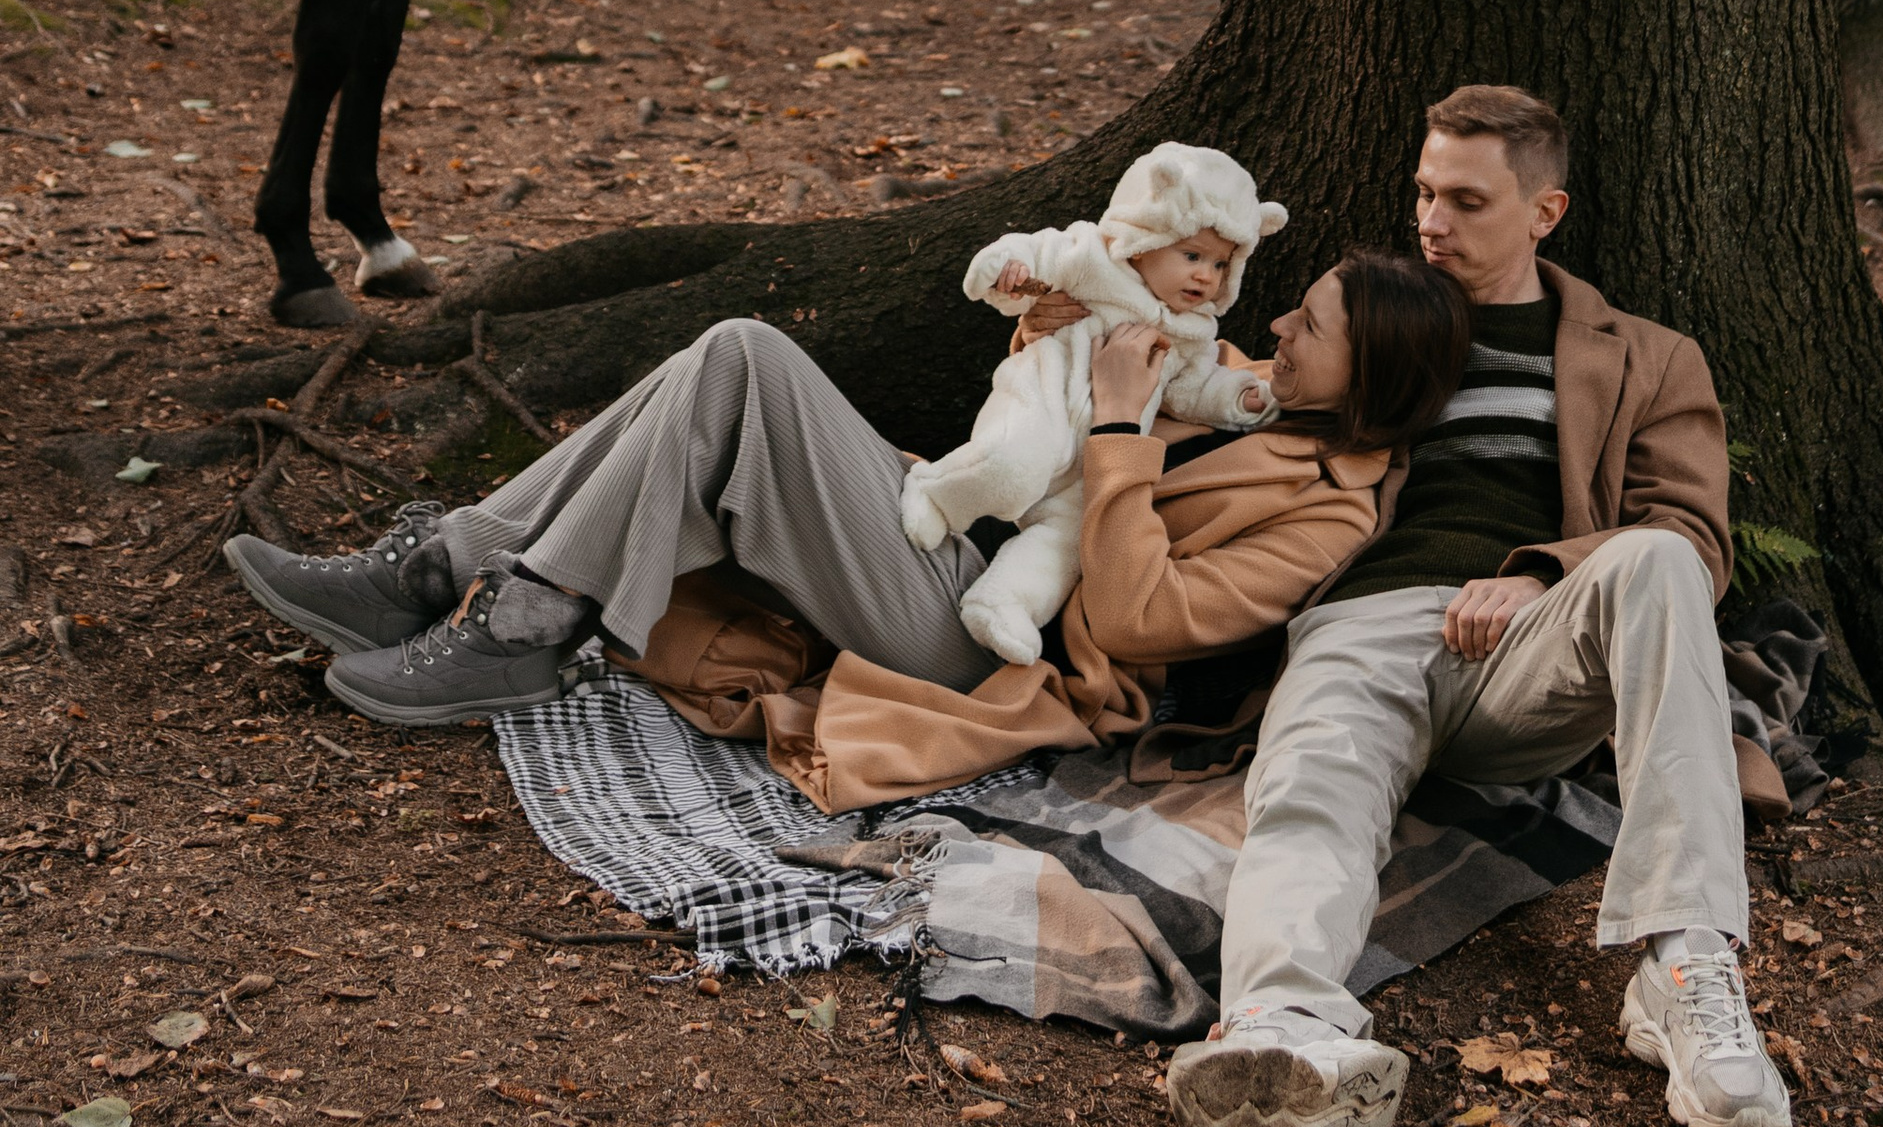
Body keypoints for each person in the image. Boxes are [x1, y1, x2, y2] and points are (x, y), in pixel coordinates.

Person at [221, 252, 1470, 812]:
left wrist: (1123, 427)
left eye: (1314, 324)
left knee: (747, 357)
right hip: (973, 549)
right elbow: (1061, 450)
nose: (1284, 330)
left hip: (998, 647)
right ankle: (452, 568)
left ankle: (522, 611)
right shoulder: (1253, 394)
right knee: (720, 368)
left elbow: (1139, 618)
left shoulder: (1327, 509)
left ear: (1369, 373)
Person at [1165, 82, 1790, 1127]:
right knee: (1313, 780)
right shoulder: (1376, 316)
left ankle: (1684, 971)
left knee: (1649, 559)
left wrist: (1542, 575)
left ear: (1544, 213)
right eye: (1422, 193)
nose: (1432, 222)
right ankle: (1284, 1030)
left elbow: (1691, 535)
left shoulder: (1645, 356)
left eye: (1464, 200)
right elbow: (1225, 387)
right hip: (1362, 625)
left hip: (1535, 656)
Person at [899, 140, 1288, 665]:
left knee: (1068, 543)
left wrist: (1239, 399)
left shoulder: (1194, 333)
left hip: (1092, 467)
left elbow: (1194, 388)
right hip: (1043, 401)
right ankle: (938, 495)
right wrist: (1009, 272)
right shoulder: (1094, 259)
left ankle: (1003, 604)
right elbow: (1037, 255)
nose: (1204, 276)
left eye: (1220, 264)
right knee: (1015, 465)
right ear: (1146, 239)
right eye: (1191, 255)